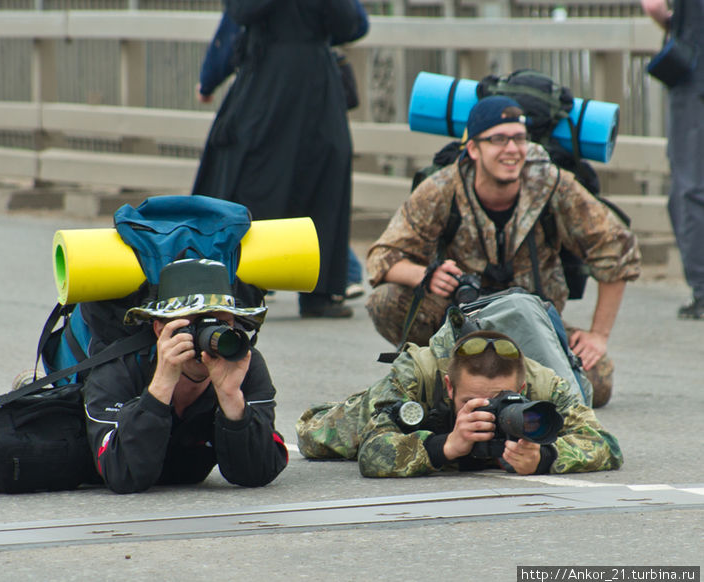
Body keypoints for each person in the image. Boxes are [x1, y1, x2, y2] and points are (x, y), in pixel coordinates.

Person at [0, 259, 289, 493]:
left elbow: (254, 474)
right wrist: (160, 387)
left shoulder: (241, 365)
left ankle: (36, 400)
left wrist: (231, 400)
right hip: (91, 450)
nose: (210, 338)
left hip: (166, 461)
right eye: (194, 324)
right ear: (159, 329)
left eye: (220, 323)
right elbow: (124, 476)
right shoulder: (120, 368)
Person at [365, 96, 641, 407]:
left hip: (531, 325)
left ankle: (512, 381)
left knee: (597, 381)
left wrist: (598, 336)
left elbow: (618, 249)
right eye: (498, 139)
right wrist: (426, 275)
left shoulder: (552, 185)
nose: (511, 149)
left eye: (519, 138)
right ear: (473, 148)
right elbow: (382, 256)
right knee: (385, 301)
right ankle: (445, 372)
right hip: (457, 323)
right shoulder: (443, 188)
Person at [191, 0, 364, 318]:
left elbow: (349, 25)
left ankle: (319, 291)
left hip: (314, 81)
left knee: (325, 173)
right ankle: (239, 284)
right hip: (268, 77)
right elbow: (241, 11)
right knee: (255, 177)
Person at [296, 329, 623, 477]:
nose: (489, 410)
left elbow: (606, 444)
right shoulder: (416, 372)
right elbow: (373, 453)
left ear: (522, 387)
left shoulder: (544, 384)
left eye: (501, 400)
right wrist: (445, 447)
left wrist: (546, 457)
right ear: (450, 386)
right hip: (399, 414)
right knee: (314, 436)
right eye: (473, 401)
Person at [641, 0, 704, 319]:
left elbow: (653, 6)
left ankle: (703, 292)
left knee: (691, 187)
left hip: (696, 77)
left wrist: (670, 21)